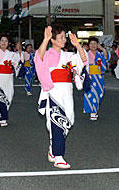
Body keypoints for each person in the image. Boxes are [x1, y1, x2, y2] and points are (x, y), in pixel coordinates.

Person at [35, 25, 87, 169]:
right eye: (61, 37)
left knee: (68, 121)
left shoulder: (68, 55)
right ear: (53, 40)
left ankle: (53, 148)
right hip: (54, 91)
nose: (64, 40)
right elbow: (38, 59)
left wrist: (77, 45)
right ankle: (58, 157)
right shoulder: (48, 54)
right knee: (57, 123)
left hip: (67, 91)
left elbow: (82, 61)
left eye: (65, 37)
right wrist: (45, 40)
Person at [84, 37, 110, 121]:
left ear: (97, 45)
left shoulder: (100, 54)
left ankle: (95, 109)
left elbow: (107, 57)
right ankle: (93, 112)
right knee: (90, 94)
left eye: (95, 43)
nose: (93, 45)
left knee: (100, 93)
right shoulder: (86, 54)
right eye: (91, 44)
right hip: (90, 77)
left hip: (99, 77)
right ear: (88, 45)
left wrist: (102, 48)